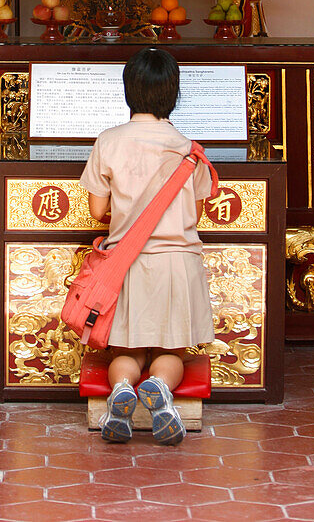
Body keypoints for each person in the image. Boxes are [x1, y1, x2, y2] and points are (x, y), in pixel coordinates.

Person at [79, 47, 215, 446]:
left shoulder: (109, 141)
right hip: (177, 264)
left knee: (128, 348)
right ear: (172, 94)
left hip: (126, 265)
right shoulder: (189, 148)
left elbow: (96, 208)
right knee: (171, 349)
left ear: (129, 91)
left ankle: (122, 389)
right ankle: (159, 386)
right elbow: (199, 211)